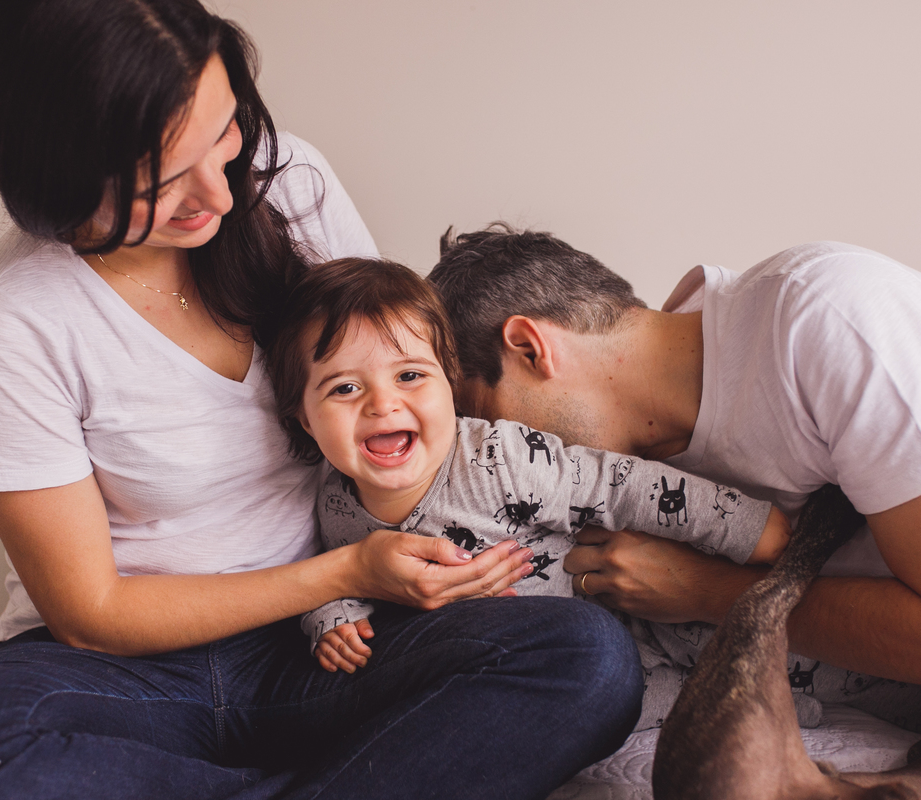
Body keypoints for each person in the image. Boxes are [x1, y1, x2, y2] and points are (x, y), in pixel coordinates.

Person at [0, 5, 645, 798]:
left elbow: (400, 379)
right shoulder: (13, 312)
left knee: (585, 657)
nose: (217, 193)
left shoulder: (291, 184)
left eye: (223, 135)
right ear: (58, 173)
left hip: (334, 644)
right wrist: (344, 570)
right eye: (163, 177)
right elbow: (90, 612)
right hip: (127, 675)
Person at [427, 224, 921, 757]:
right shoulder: (649, 481)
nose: (493, 459)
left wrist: (705, 591)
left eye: (482, 423)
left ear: (529, 347)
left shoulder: (824, 317)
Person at [263, 257, 790, 730]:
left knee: (772, 654)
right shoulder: (335, 502)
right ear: (305, 420)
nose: (382, 404)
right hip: (553, 668)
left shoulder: (500, 457)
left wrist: (743, 526)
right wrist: (332, 619)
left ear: (449, 383)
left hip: (638, 612)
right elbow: (339, 575)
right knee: (694, 711)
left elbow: (618, 483)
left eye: (410, 375)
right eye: (345, 388)